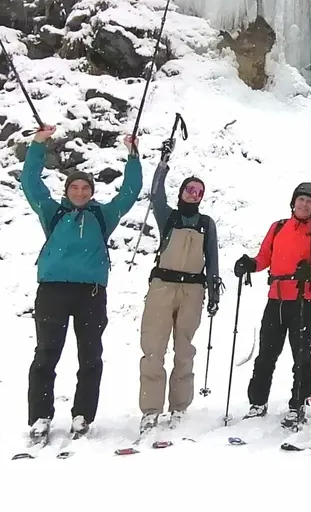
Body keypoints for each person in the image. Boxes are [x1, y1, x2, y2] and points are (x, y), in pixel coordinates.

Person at [19, 124, 142, 444]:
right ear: (67, 190)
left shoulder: (104, 215)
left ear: (91, 191)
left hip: (91, 293)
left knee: (90, 355)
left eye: (85, 188)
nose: (80, 192)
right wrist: (38, 144)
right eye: (74, 187)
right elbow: (30, 183)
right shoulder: (51, 211)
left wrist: (133, 156)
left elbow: (130, 192)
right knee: (46, 354)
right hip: (52, 290)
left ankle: (82, 414)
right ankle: (40, 416)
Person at [136, 150, 221, 437]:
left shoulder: (206, 224)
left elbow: (212, 259)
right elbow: (155, 195)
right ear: (182, 192)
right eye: (189, 189)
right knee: (153, 349)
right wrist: (162, 165)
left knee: (184, 350)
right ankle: (151, 410)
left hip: (193, 290)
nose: (193, 194)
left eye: (198, 192)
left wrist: (213, 291)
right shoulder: (168, 217)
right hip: (163, 286)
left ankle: (179, 407)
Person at [234, 182, 311, 429]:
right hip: (275, 298)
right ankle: (258, 402)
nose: (304, 204)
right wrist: (250, 264)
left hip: (302, 298)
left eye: (310, 202)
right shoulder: (278, 227)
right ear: (293, 202)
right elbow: (264, 256)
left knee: (301, 355)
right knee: (266, 353)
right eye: (301, 199)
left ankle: (298, 404)